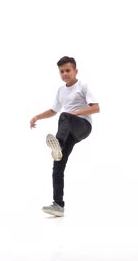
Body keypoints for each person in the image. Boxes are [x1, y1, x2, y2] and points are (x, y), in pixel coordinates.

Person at [29, 56, 100, 217]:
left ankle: (58, 145)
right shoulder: (61, 91)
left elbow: (96, 108)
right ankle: (58, 205)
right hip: (69, 131)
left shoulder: (83, 86)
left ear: (75, 71)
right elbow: (53, 110)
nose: (65, 74)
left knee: (65, 116)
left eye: (68, 70)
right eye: (62, 71)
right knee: (57, 165)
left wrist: (78, 112)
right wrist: (37, 117)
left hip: (83, 126)